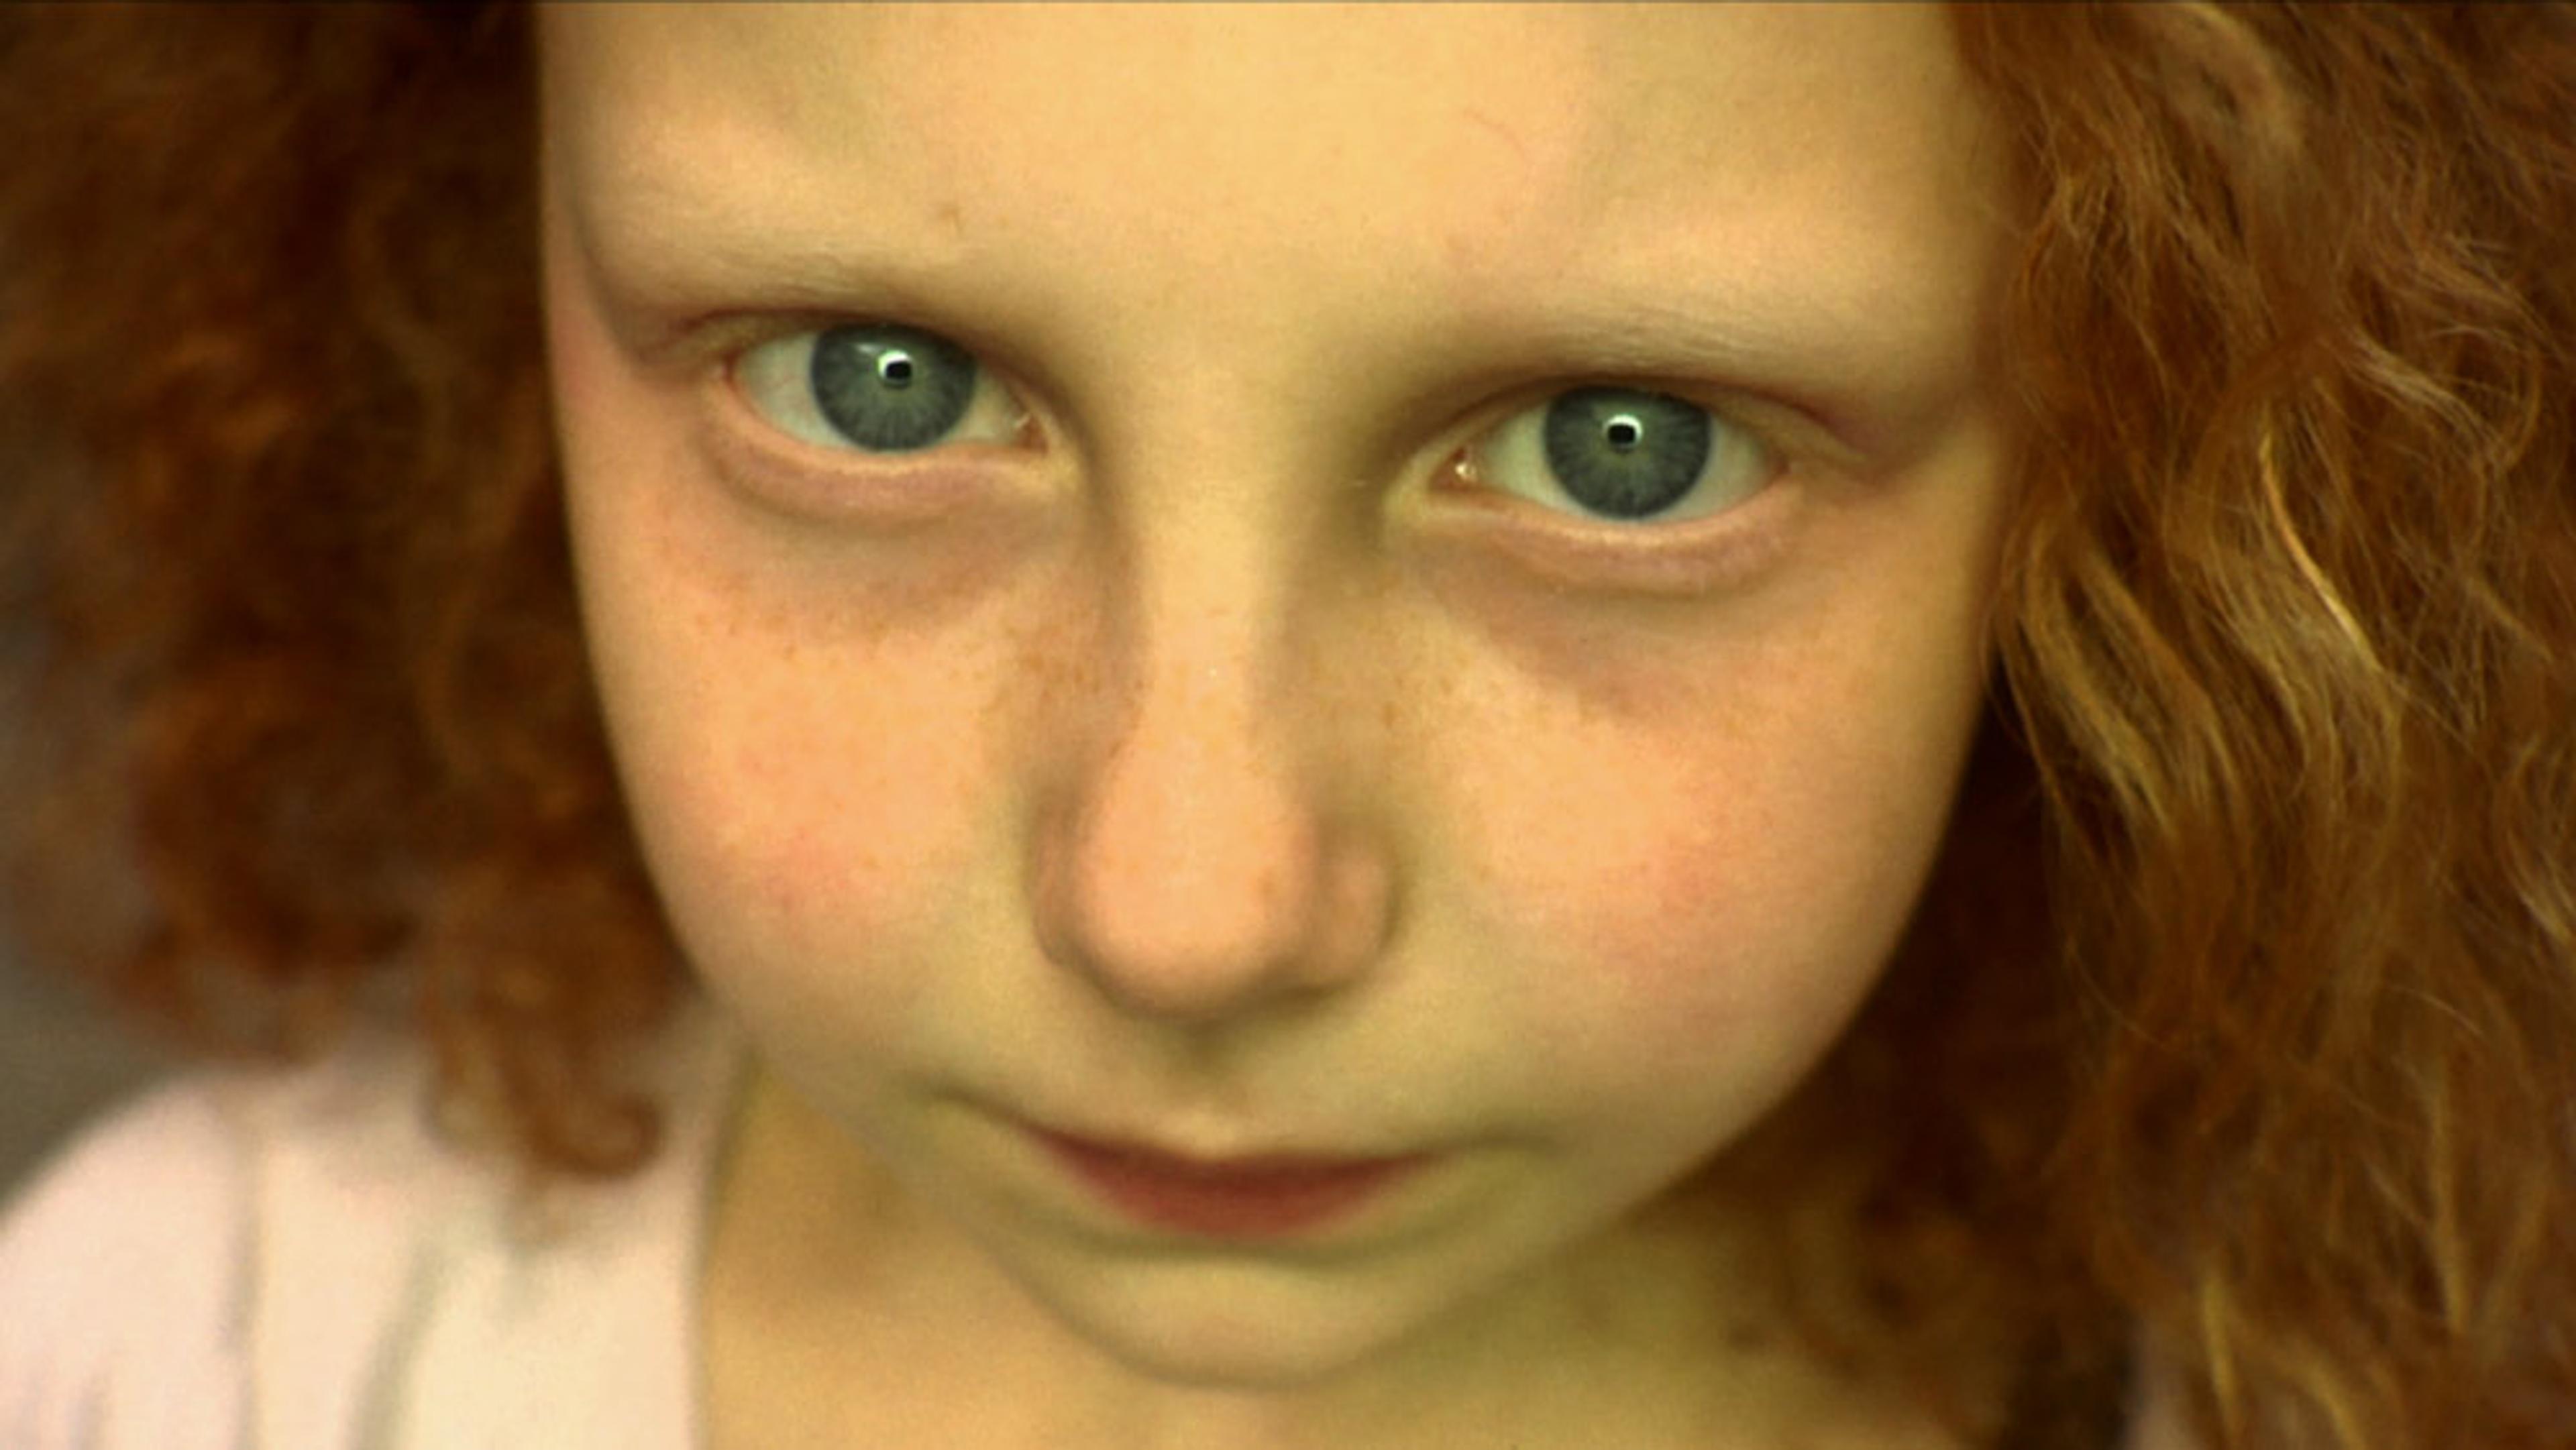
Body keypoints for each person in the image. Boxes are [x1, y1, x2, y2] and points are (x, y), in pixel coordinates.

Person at [0, 4, 2568, 1447]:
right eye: (875, 387)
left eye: (1618, 447)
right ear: (476, 258)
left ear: (2165, 420)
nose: (1187, 905)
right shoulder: (186, 1373)